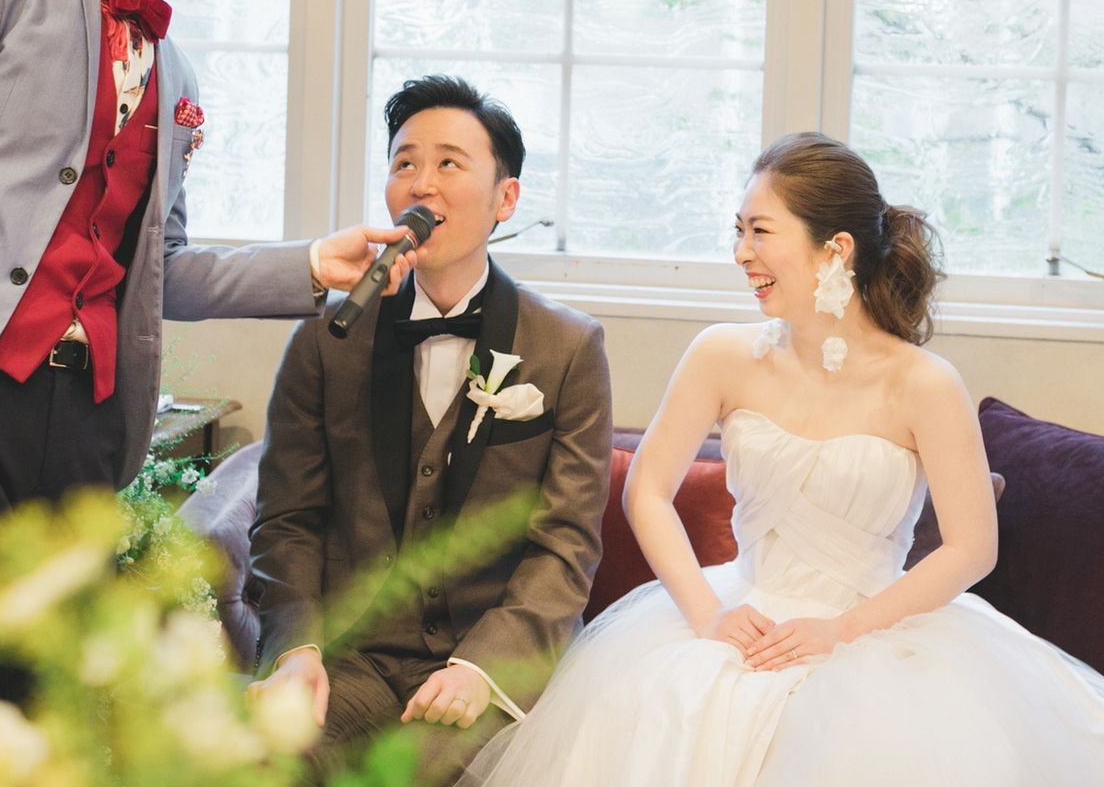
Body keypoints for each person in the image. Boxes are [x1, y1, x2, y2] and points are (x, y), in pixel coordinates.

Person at [460, 132, 1104, 786]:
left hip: (879, 633)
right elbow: (645, 490)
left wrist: (844, 631)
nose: (742, 253)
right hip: (738, 613)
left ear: (836, 248)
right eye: (738, 231)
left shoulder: (926, 383)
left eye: (760, 231)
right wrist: (708, 615)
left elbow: (972, 547)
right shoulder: (721, 354)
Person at [0, 0, 414, 605]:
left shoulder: (176, 74)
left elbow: (162, 269)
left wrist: (313, 264)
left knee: (56, 673)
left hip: (89, 419)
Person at [247, 75, 613, 786]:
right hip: (348, 659)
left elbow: (565, 544)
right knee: (258, 755)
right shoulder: (327, 337)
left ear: (505, 198)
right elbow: (287, 519)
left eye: (449, 163)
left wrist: (482, 667)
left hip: (483, 666)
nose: (422, 183)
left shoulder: (568, 347)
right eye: (405, 163)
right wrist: (296, 651)